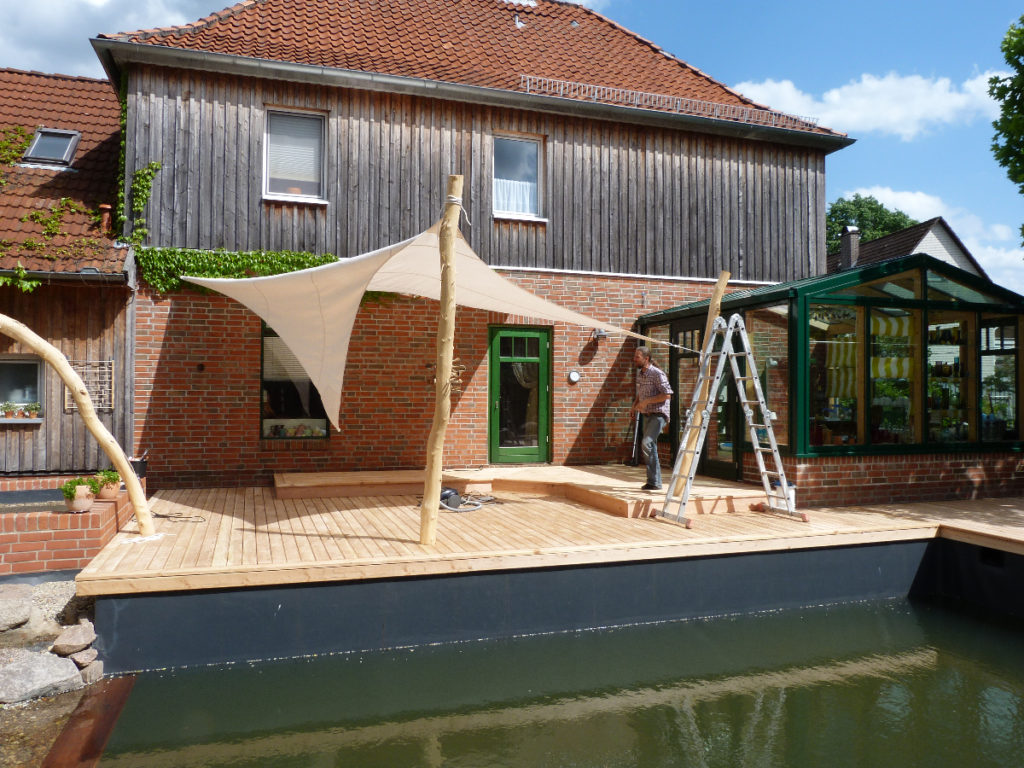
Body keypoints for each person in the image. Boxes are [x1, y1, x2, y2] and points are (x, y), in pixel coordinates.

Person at [631, 346, 672, 491]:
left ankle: (654, 481)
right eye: (635, 356)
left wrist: (647, 402)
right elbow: (640, 392)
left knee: (646, 443)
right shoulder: (640, 374)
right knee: (650, 446)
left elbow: (667, 394)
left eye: (637, 357)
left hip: (659, 414)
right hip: (647, 414)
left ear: (646, 359)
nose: (634, 359)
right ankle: (654, 482)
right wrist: (635, 405)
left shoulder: (657, 373)